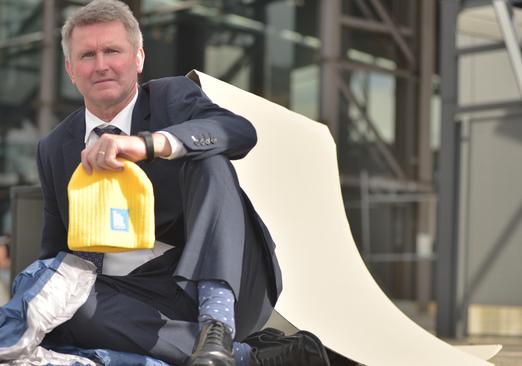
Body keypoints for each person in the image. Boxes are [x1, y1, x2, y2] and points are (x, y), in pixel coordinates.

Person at [36, 1, 329, 365]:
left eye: (112, 50)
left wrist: (149, 144)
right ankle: (251, 359)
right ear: (70, 69)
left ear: (138, 59)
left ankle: (216, 327)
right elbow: (53, 248)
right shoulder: (53, 147)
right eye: (87, 55)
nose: (101, 65)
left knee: (208, 160)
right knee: (62, 303)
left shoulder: (172, 97)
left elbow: (239, 132)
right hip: (127, 298)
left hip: (221, 278)